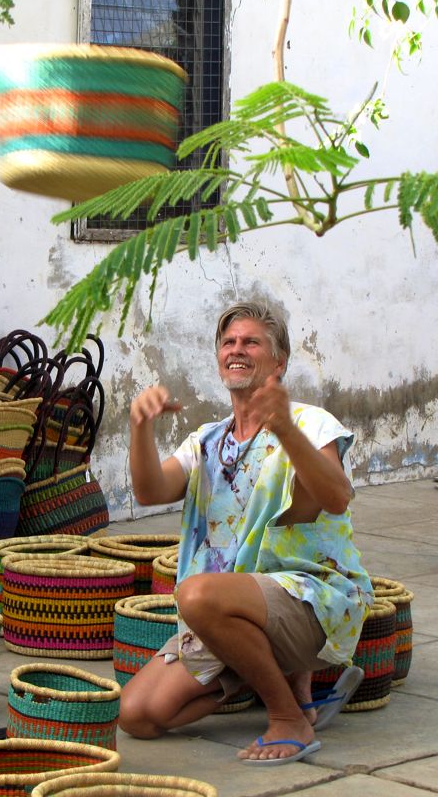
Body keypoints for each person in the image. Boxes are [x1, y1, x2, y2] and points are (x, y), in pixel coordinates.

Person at [120, 300, 373, 766]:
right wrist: (140, 428)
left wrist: (283, 428)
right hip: (231, 608)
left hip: (313, 598)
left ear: (279, 361)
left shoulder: (310, 424)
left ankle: (287, 716)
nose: (236, 350)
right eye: (229, 342)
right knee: (137, 715)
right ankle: (277, 677)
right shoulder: (208, 440)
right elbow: (152, 491)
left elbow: (336, 496)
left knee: (195, 596)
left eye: (251, 342)